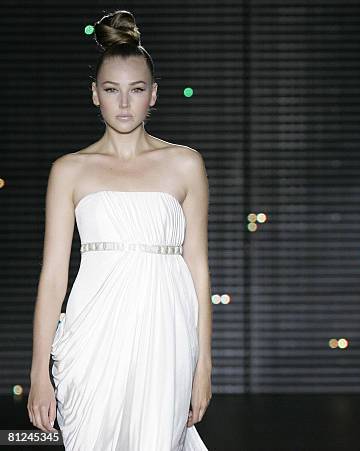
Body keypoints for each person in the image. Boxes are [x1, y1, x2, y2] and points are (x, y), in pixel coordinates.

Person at [27, 10, 210, 450]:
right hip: (92, 338)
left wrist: (203, 366)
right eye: (111, 90)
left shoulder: (185, 164)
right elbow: (53, 277)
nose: (124, 103)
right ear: (94, 95)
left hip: (165, 334)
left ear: (153, 95)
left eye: (136, 90)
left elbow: (197, 266)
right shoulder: (70, 171)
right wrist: (37, 374)